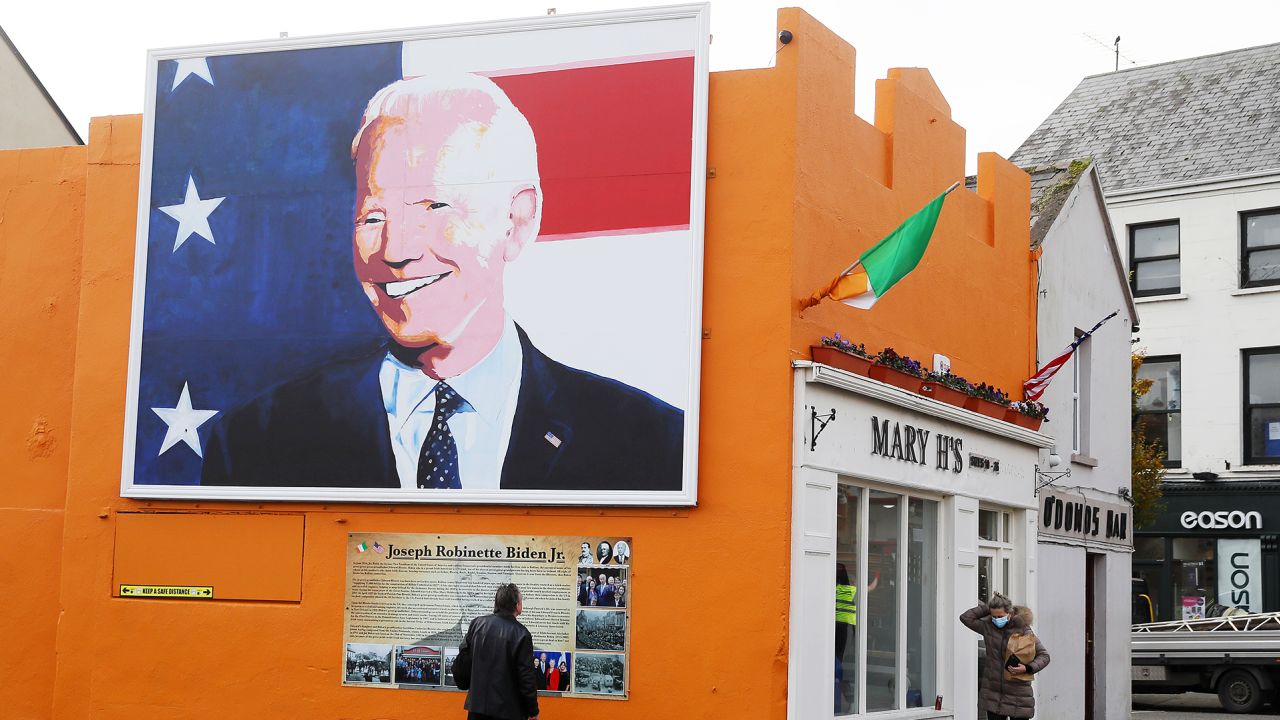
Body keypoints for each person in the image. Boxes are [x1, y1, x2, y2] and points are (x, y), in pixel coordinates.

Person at [200, 72, 684, 493]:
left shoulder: (653, 444)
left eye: (433, 207)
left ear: (515, 221)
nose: (394, 249)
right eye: (373, 216)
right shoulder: (255, 443)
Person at [960, 593, 1050, 720]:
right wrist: (989, 606)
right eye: (993, 616)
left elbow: (1044, 656)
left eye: (1000, 616)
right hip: (993, 694)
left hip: (1018, 695)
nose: (997, 619)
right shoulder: (988, 627)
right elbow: (966, 618)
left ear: (1010, 613)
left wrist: (1027, 668)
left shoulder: (1023, 629)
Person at [457, 583, 539, 720]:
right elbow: (526, 678)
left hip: (477, 710)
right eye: (521, 600)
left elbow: (463, 659)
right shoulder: (522, 634)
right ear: (517, 605)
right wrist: (533, 710)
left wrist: (462, 682)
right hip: (509, 712)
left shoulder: (477, 624)